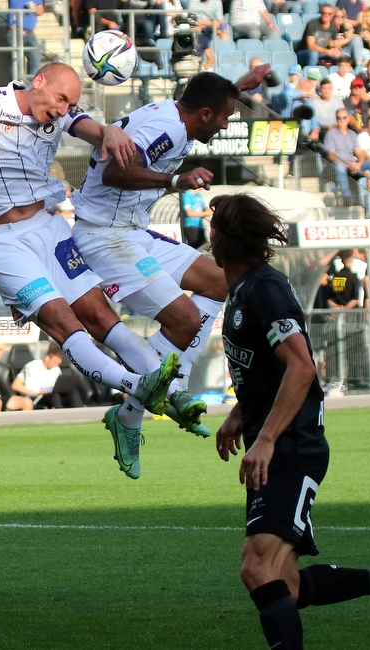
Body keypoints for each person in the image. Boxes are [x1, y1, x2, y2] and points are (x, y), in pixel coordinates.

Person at [0, 62, 180, 480]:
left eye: (71, 103)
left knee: (101, 317)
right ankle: (136, 387)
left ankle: (174, 399)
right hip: (0, 239)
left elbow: (91, 128)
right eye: (61, 99)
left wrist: (108, 131)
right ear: (39, 82)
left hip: (48, 226)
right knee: (63, 321)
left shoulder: (65, 114)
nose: (63, 109)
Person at [209, 191, 370, 649]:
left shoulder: (264, 289)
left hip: (291, 447)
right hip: (273, 442)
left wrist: (268, 438)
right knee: (285, 585)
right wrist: (240, 413)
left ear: (220, 239)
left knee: (257, 567)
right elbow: (269, 368)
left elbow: (301, 366)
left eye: (212, 225)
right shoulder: (245, 289)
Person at [68, 69, 269, 464]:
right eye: (226, 116)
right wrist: (176, 179)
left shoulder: (179, 113)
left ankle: (138, 406)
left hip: (130, 231)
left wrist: (239, 85)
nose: (228, 122)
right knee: (186, 320)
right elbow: (115, 171)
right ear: (206, 113)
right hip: (105, 238)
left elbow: (207, 98)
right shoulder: (169, 129)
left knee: (220, 280)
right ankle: (156, 394)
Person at [11, 345, 64, 410]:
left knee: (72, 393)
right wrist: (38, 392)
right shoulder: (32, 366)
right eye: (55, 362)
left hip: (51, 394)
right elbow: (16, 385)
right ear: (47, 358)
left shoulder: (56, 369)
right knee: (55, 396)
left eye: (58, 363)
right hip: (36, 397)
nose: (56, 365)